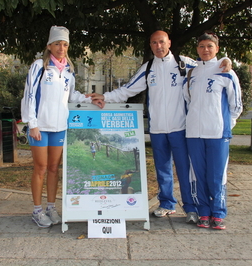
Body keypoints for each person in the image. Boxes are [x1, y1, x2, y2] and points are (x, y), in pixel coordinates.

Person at [87, 30, 231, 223]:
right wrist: (106, 97)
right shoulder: (148, 68)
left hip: (180, 128)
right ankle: (167, 203)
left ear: (169, 43)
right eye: (154, 43)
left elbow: (208, 65)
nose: (158, 46)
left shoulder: (184, 64)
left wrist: (226, 60)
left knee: (184, 170)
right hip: (157, 129)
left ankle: (190, 208)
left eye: (161, 42)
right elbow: (128, 89)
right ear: (150, 45)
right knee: (162, 170)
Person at [21, 26, 96, 228]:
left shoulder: (69, 71)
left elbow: (72, 96)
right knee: (41, 168)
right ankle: (37, 210)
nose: (61, 48)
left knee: (54, 168)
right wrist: (32, 124)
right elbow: (29, 94)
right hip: (40, 127)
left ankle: (51, 207)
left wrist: (90, 99)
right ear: (49, 46)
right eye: (57, 44)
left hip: (59, 127)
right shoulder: (39, 66)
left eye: (64, 44)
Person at [184, 32, 243, 230]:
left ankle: (218, 213)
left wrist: (226, 123)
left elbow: (236, 105)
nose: (205, 50)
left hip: (218, 134)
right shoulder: (192, 73)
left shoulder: (226, 71)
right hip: (194, 133)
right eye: (201, 46)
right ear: (197, 49)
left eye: (210, 46)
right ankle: (204, 212)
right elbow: (188, 100)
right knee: (198, 175)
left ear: (217, 48)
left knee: (216, 176)